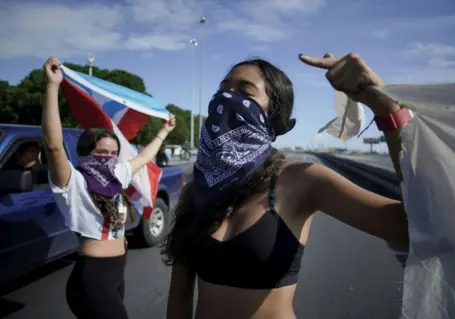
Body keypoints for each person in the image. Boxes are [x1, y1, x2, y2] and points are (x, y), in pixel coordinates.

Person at [162, 52, 409, 319]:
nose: (227, 98)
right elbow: (180, 295)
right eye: (223, 90)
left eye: (245, 91)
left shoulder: (302, 180)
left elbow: (406, 225)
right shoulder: (198, 188)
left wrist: (385, 108)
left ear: (273, 113)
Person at [41, 57, 176, 319]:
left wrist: (164, 132)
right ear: (84, 153)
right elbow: (54, 145)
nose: (108, 158)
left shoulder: (117, 175)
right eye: (101, 151)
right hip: (92, 278)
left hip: (116, 272)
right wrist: (52, 87)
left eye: (113, 153)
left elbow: (144, 157)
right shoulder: (73, 180)